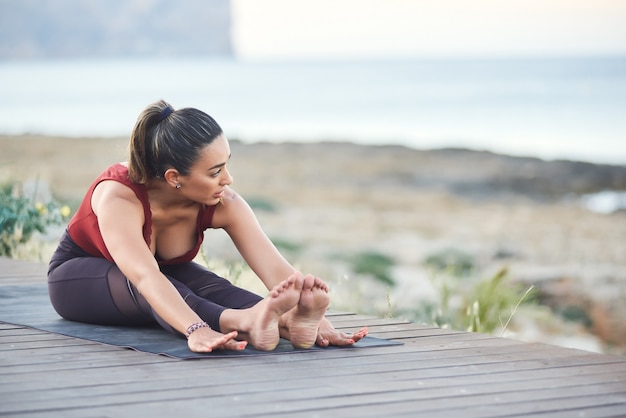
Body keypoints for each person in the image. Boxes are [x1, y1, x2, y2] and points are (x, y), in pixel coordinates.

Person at [48, 100, 368, 353]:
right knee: (157, 286)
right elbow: (144, 276)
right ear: (174, 177)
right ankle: (244, 321)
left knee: (212, 285)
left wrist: (317, 320)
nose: (228, 179)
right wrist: (196, 329)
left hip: (157, 278)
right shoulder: (120, 198)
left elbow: (274, 268)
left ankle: (284, 323)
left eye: (226, 164)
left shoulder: (224, 202)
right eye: (215, 172)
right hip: (80, 281)